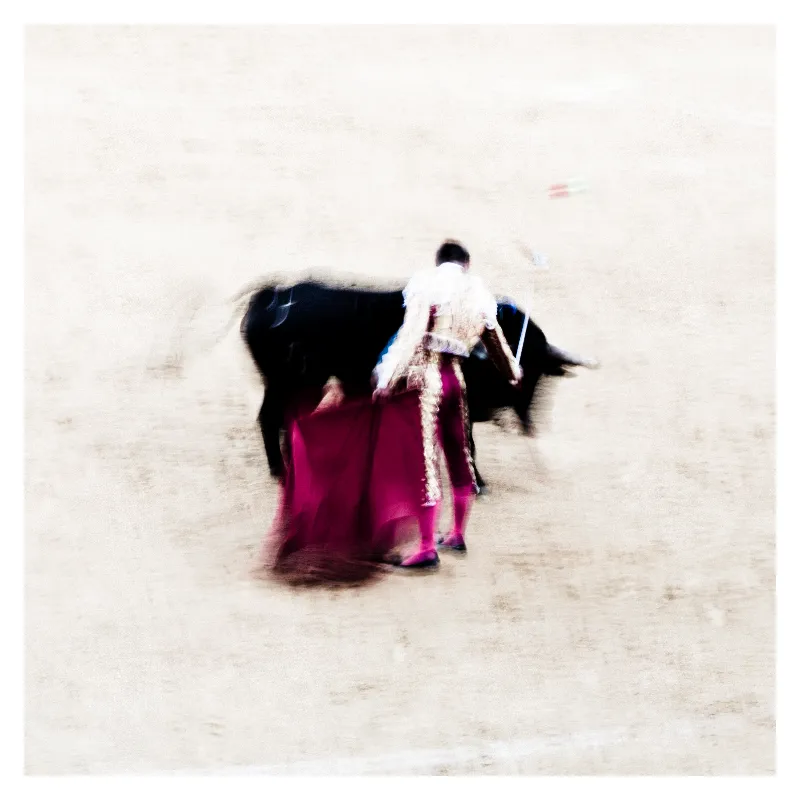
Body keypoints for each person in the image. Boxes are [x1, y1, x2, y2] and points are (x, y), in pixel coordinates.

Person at [372, 240, 522, 568]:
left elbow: (410, 336)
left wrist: (387, 378)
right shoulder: (478, 295)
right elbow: (495, 340)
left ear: (439, 261)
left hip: (427, 380)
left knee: (427, 462)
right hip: (456, 380)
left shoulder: (428, 286)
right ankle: (456, 533)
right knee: (458, 454)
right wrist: (513, 372)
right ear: (466, 263)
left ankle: (426, 547)